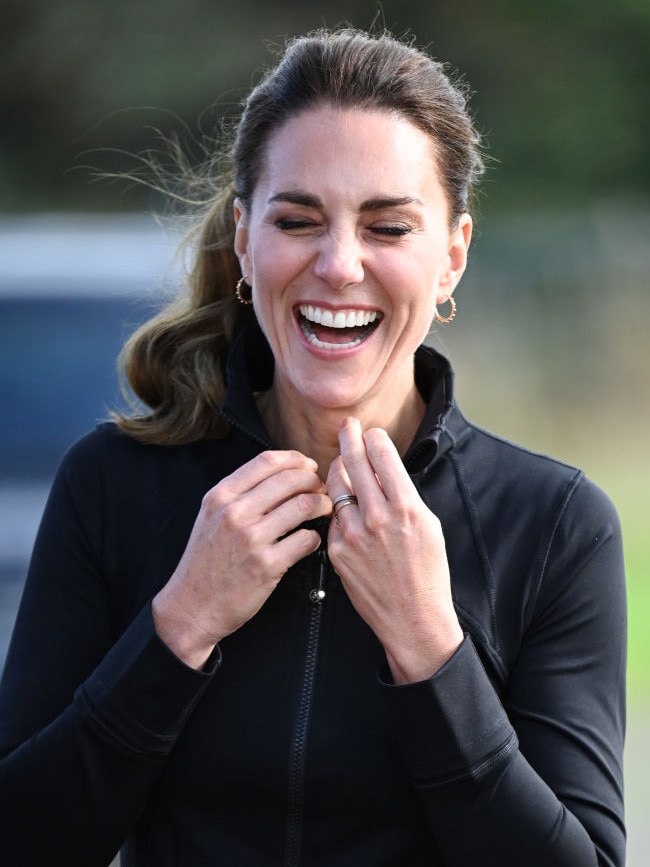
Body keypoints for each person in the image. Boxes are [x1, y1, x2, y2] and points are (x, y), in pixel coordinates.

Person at [0, 27, 626, 867]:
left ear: (452, 257)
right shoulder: (111, 486)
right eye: (298, 219)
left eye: (387, 227)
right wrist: (178, 628)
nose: (338, 264)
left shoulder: (555, 524)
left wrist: (432, 650)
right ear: (246, 243)